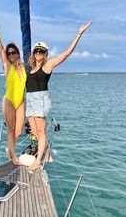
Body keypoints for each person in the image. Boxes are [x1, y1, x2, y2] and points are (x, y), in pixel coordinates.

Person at [26, 21, 92, 171]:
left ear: (45, 54)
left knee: (40, 132)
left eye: (41, 52)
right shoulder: (31, 69)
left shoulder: (47, 66)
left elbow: (66, 54)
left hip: (40, 99)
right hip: (30, 99)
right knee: (35, 131)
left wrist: (79, 34)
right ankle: (48, 154)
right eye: (36, 51)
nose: (38, 54)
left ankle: (37, 161)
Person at [0, 14, 26, 165]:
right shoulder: (7, 67)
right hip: (9, 100)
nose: (10, 55)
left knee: (18, 130)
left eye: (13, 52)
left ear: (18, 54)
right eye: (8, 54)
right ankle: (14, 158)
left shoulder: (24, 68)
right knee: (10, 130)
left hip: (20, 101)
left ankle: (10, 150)